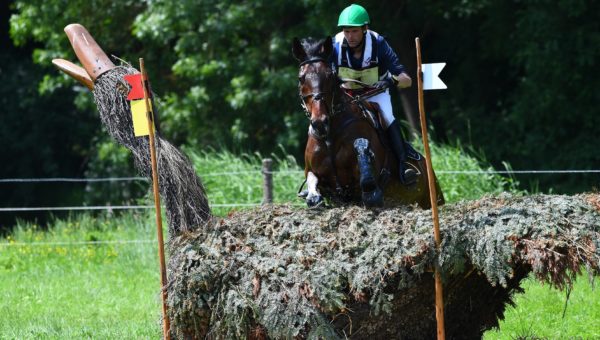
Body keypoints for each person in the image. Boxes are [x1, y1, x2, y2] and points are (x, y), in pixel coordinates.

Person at [331, 3, 417, 185]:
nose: (350, 36)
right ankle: (317, 172)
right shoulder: (335, 46)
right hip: (347, 96)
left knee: (387, 116)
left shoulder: (378, 43)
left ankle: (404, 166)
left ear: (365, 28)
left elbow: (406, 79)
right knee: (322, 121)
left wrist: (391, 81)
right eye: (346, 31)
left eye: (354, 31)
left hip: (375, 93)